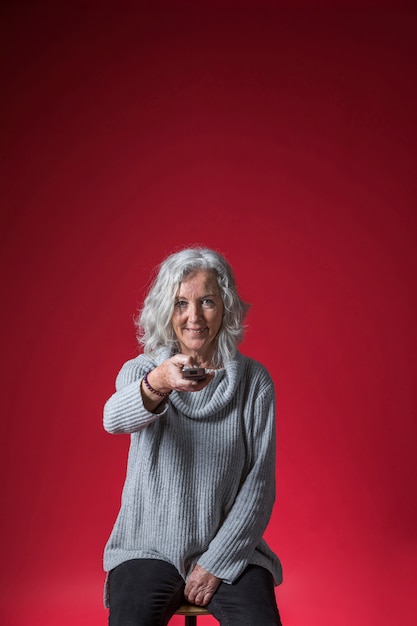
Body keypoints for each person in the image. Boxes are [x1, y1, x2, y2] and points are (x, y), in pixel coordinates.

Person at [103, 247, 283, 626]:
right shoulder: (141, 370)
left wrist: (217, 562)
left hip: (230, 549)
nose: (193, 317)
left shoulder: (254, 382)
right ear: (166, 310)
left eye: (207, 302)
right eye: (181, 302)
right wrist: (161, 382)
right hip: (146, 548)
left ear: (226, 308)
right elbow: (113, 419)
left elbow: (259, 484)